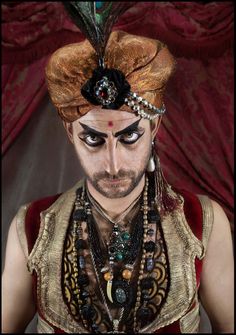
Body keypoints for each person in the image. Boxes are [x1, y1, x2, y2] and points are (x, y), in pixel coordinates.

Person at [2, 26, 234, 335]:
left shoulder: (202, 223)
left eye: (129, 137)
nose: (113, 163)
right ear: (71, 133)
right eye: (94, 140)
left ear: (154, 128)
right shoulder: (32, 229)